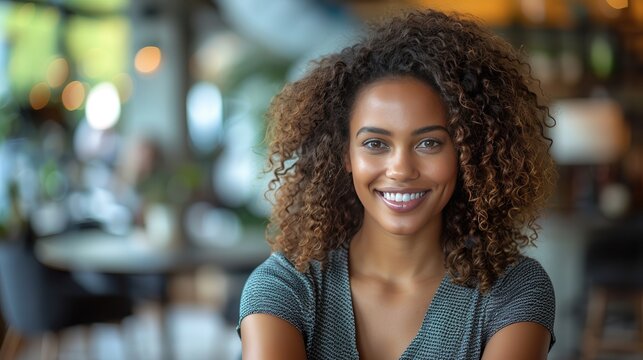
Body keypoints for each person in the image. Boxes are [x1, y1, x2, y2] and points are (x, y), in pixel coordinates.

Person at [238, 9, 557, 360]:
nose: (401, 169)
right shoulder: (286, 287)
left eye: (429, 143)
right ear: (345, 154)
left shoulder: (513, 289)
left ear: (466, 152)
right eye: (376, 144)